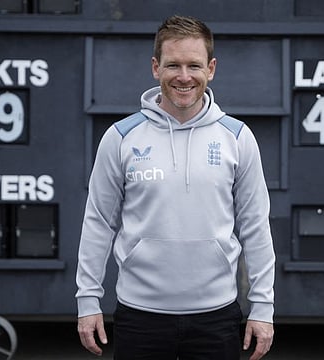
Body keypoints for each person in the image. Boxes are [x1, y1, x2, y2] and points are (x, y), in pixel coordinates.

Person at [76, 15, 276, 360]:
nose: (184, 77)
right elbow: (98, 222)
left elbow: (256, 227)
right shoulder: (121, 137)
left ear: (211, 69)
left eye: (194, 65)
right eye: (173, 65)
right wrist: (87, 299)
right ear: (156, 68)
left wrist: (263, 306)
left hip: (216, 318)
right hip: (140, 317)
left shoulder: (238, 138)